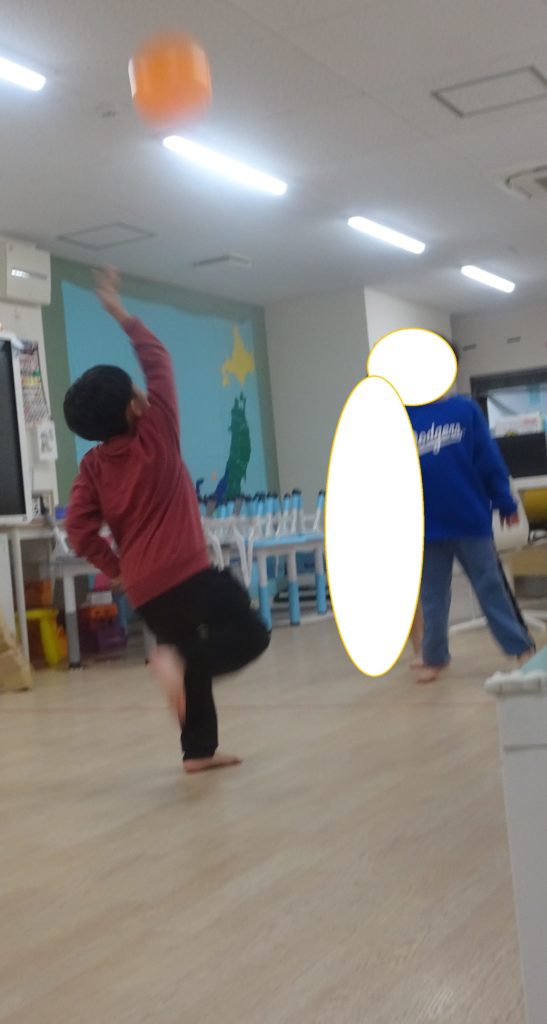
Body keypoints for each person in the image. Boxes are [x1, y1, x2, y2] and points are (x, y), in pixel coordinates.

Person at [63, 268, 270, 771]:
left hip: (146, 592)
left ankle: (198, 752)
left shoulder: (92, 466)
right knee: (249, 633)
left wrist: (116, 567)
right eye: (139, 391)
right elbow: (157, 357)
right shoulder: (158, 429)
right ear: (136, 407)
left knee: (186, 649)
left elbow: (78, 530)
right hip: (188, 573)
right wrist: (118, 310)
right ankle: (176, 664)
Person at [407, 348, 535, 683]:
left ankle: (520, 646)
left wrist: (505, 503)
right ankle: (435, 656)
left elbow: (488, 459)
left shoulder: (464, 410)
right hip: (425, 527)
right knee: (433, 597)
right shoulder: (403, 417)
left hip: (470, 520)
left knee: (490, 587)